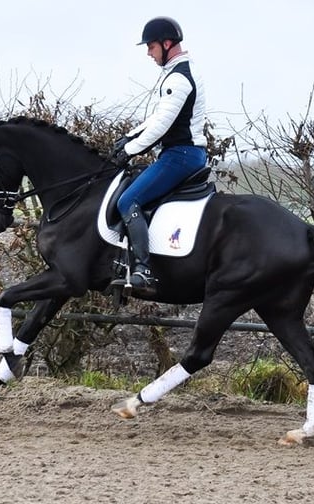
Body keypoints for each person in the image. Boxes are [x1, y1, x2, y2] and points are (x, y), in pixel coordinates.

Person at [110, 16, 207, 295]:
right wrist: (129, 136)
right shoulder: (180, 73)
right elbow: (157, 117)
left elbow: (162, 125)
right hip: (184, 153)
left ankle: (142, 269)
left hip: (181, 155)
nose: (149, 54)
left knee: (128, 200)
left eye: (151, 47)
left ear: (167, 44)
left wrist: (130, 150)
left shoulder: (178, 78)